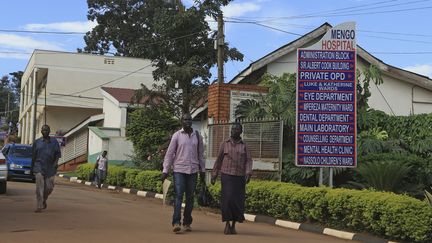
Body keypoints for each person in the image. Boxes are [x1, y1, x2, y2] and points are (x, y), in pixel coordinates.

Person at [162, 113, 205, 233]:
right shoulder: (177, 136)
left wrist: (202, 169)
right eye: (185, 120)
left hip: (193, 171)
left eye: (190, 120)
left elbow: (201, 154)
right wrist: (165, 170)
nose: (188, 121)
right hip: (179, 170)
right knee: (179, 195)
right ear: (181, 121)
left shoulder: (197, 135)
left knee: (190, 197)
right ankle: (176, 222)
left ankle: (187, 222)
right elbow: (169, 154)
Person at [211, 123, 253, 235]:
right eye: (233, 129)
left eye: (236, 129)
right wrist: (214, 174)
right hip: (227, 175)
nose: (234, 130)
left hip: (239, 177)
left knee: (237, 202)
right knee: (228, 199)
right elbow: (219, 160)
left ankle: (234, 225)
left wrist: (248, 173)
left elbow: (248, 160)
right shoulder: (224, 144)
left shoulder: (245, 146)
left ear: (241, 132)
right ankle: (227, 224)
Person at [31, 124, 61, 213]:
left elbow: (57, 154)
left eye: (47, 130)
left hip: (50, 167)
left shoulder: (54, 142)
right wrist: (31, 168)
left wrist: (55, 163)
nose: (45, 132)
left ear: (49, 131)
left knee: (49, 187)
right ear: (41, 131)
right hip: (39, 166)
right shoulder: (37, 142)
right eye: (43, 130)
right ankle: (39, 206)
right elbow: (33, 156)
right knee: (39, 187)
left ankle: (44, 200)